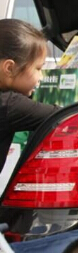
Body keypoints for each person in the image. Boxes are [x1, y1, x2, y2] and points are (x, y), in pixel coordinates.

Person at [0, 19, 59, 159]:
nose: (41, 77)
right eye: (38, 68)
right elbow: (64, 116)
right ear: (10, 68)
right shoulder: (9, 105)